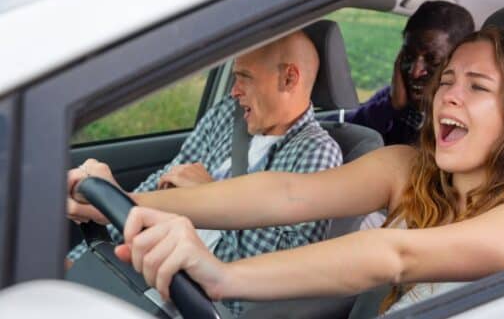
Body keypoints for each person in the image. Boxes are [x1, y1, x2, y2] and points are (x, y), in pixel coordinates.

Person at [68, 27, 504, 314]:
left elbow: (394, 255)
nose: (448, 93)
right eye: (447, 80)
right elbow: (286, 194)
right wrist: (121, 200)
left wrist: (222, 276)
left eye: (477, 86)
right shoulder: (408, 169)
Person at [67, 31, 342, 316]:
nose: (234, 91)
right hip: (144, 273)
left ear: (289, 79)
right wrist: (86, 253)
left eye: (244, 77)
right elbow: (161, 183)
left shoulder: (317, 153)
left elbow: (283, 274)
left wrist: (210, 192)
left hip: (205, 306)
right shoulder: (228, 115)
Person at [336, 1, 474, 146]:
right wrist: (391, 106)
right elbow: (348, 134)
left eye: (432, 59)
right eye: (408, 56)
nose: (415, 72)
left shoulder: (462, 121)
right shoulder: (395, 95)